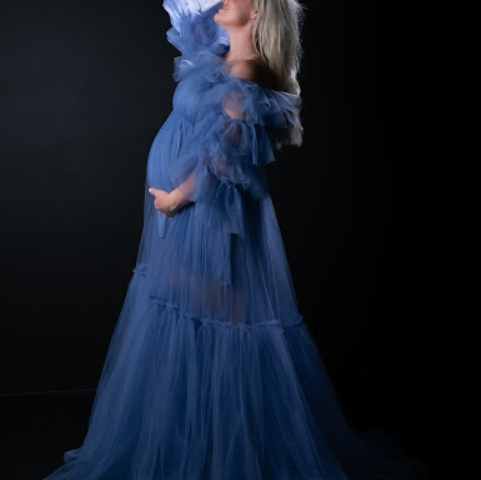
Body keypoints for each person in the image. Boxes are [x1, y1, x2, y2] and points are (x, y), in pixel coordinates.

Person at [41, 1, 428, 479]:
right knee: (187, 305)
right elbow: (189, 16)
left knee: (220, 313)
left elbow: (225, 160)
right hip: (188, 210)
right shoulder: (220, 53)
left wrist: (176, 198)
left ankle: (233, 439)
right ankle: (197, 429)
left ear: (259, 12)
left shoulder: (246, 70)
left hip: (207, 212)